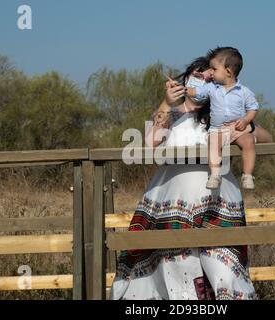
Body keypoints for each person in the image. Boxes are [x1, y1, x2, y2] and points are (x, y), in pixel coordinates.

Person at [110, 56, 258, 300]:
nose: (202, 82)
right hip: (170, 202)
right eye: (198, 76)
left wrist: (246, 126)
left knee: (223, 270)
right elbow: (149, 143)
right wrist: (167, 104)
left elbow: (261, 137)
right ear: (187, 78)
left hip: (218, 203)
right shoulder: (170, 114)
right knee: (176, 267)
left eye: (209, 79)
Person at [186, 47, 260, 190]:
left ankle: (247, 175)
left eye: (214, 69)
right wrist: (184, 89)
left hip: (238, 129)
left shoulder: (244, 91)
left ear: (228, 72)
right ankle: (215, 174)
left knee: (249, 141)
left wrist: (245, 120)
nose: (211, 72)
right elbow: (197, 91)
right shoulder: (211, 88)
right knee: (213, 143)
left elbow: (253, 108)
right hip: (218, 130)